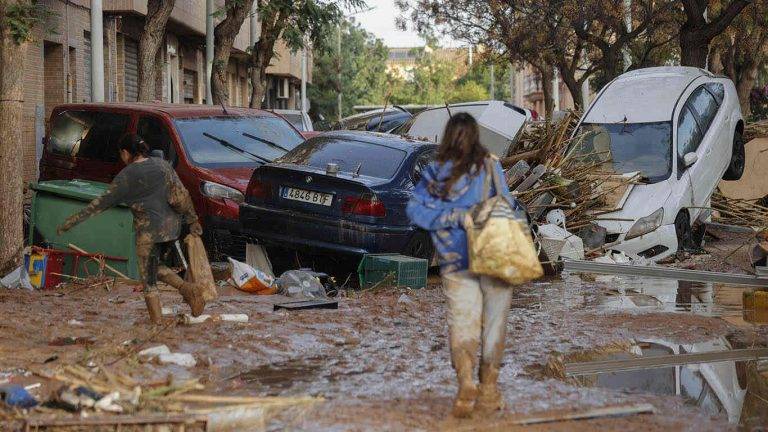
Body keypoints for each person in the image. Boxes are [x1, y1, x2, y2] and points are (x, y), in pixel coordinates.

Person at [407, 113, 518, 418]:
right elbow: (508, 204)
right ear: (476, 135)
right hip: (492, 257)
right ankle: (489, 391)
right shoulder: (491, 165)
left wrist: (449, 218)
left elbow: (415, 210)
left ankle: (466, 382)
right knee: (494, 326)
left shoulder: (435, 171)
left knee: (463, 322)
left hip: (455, 261)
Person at [58, 134, 206, 324]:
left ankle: (157, 322)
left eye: (122, 154)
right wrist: (193, 220)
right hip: (171, 228)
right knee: (155, 267)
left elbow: (101, 203)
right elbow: (181, 197)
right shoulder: (163, 165)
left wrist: (73, 221)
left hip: (148, 232)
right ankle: (188, 290)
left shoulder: (127, 175)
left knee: (148, 279)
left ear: (126, 153)